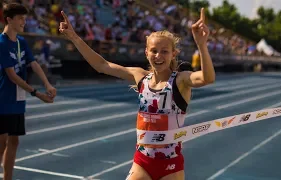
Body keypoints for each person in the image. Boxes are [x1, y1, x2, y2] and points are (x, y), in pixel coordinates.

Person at [59, 7, 215, 180]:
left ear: (173, 54)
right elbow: (101, 65)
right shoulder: (140, 77)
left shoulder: (181, 80)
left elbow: (207, 78)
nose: (158, 56)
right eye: (154, 50)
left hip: (171, 166)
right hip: (142, 162)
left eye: (164, 51)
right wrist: (74, 37)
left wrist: (202, 45)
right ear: (146, 52)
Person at [0, 3, 57, 180]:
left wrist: (47, 84)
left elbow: (33, 63)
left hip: (17, 99)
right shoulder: (1, 43)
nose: (24, 22)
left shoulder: (21, 42)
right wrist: (37, 93)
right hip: (3, 99)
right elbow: (11, 75)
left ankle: (7, 177)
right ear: (9, 19)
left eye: (25, 18)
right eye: (20, 18)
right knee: (1, 143)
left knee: (14, 140)